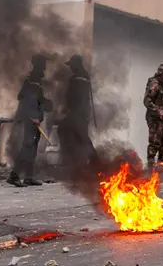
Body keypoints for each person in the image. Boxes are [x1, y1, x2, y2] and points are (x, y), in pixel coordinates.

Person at [7, 54, 53, 187]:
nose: (45, 67)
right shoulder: (33, 78)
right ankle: (14, 175)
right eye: (43, 63)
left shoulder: (36, 79)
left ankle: (28, 176)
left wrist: (45, 102)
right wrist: (34, 116)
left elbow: (35, 98)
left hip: (33, 117)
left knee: (32, 147)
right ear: (39, 64)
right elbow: (28, 98)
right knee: (28, 146)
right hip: (31, 118)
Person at [56, 54, 100, 172]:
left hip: (77, 112)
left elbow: (74, 96)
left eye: (71, 65)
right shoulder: (84, 76)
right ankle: (82, 163)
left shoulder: (76, 79)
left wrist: (67, 108)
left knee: (75, 135)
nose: (70, 68)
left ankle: (94, 162)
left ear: (76, 65)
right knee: (80, 137)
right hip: (81, 112)